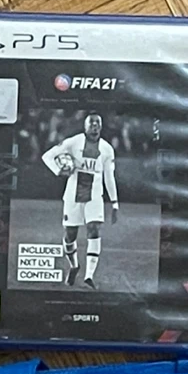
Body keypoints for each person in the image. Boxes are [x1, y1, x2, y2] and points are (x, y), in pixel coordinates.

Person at [42, 113, 118, 288]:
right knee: (70, 235)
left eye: (97, 123)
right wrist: (58, 170)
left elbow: (109, 177)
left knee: (94, 229)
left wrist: (115, 203)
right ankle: (74, 266)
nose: (94, 126)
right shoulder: (73, 142)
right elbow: (47, 156)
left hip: (94, 195)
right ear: (85, 126)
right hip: (73, 194)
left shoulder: (107, 149)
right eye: (91, 123)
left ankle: (89, 276)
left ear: (101, 126)